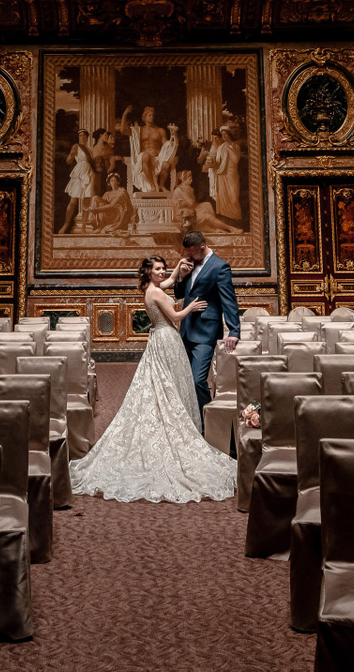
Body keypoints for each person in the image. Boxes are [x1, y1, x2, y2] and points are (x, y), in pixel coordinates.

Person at [68, 252, 237, 503]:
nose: (162, 272)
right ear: (148, 272)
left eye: (162, 268)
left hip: (160, 338)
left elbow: (168, 282)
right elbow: (175, 317)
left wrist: (176, 268)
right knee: (166, 384)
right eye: (157, 269)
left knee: (163, 383)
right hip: (166, 338)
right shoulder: (155, 293)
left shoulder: (152, 289)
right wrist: (191, 307)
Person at [173, 228, 240, 410]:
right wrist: (181, 276)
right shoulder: (190, 264)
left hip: (206, 332)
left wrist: (234, 331)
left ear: (202, 248)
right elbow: (179, 294)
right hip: (186, 329)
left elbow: (229, 301)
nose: (188, 256)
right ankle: (190, 417)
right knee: (184, 379)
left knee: (197, 380)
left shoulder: (220, 267)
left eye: (191, 252)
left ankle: (207, 419)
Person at [60, 129, 95, 233]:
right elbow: (68, 161)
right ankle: (66, 225)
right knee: (73, 201)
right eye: (80, 136)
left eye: (84, 136)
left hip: (88, 174)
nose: (82, 137)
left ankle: (83, 227)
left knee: (87, 202)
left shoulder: (90, 150)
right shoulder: (76, 146)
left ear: (87, 138)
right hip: (79, 173)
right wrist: (71, 155)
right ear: (78, 137)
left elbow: (93, 163)